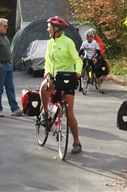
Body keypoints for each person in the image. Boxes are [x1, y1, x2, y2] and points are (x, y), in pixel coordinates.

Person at [39, 16, 83, 154]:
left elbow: (77, 60)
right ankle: (45, 115)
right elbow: (47, 61)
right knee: (42, 87)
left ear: (56, 29)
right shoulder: (49, 43)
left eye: (49, 27)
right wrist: (47, 73)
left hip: (67, 78)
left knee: (70, 113)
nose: (47, 30)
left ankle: (77, 142)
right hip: (53, 78)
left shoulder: (68, 42)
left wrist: (77, 73)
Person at [0, 18, 22, 117]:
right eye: (5, 26)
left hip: (8, 65)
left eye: (7, 26)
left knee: (10, 88)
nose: (6, 27)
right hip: (0, 66)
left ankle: (15, 109)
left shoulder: (5, 37)